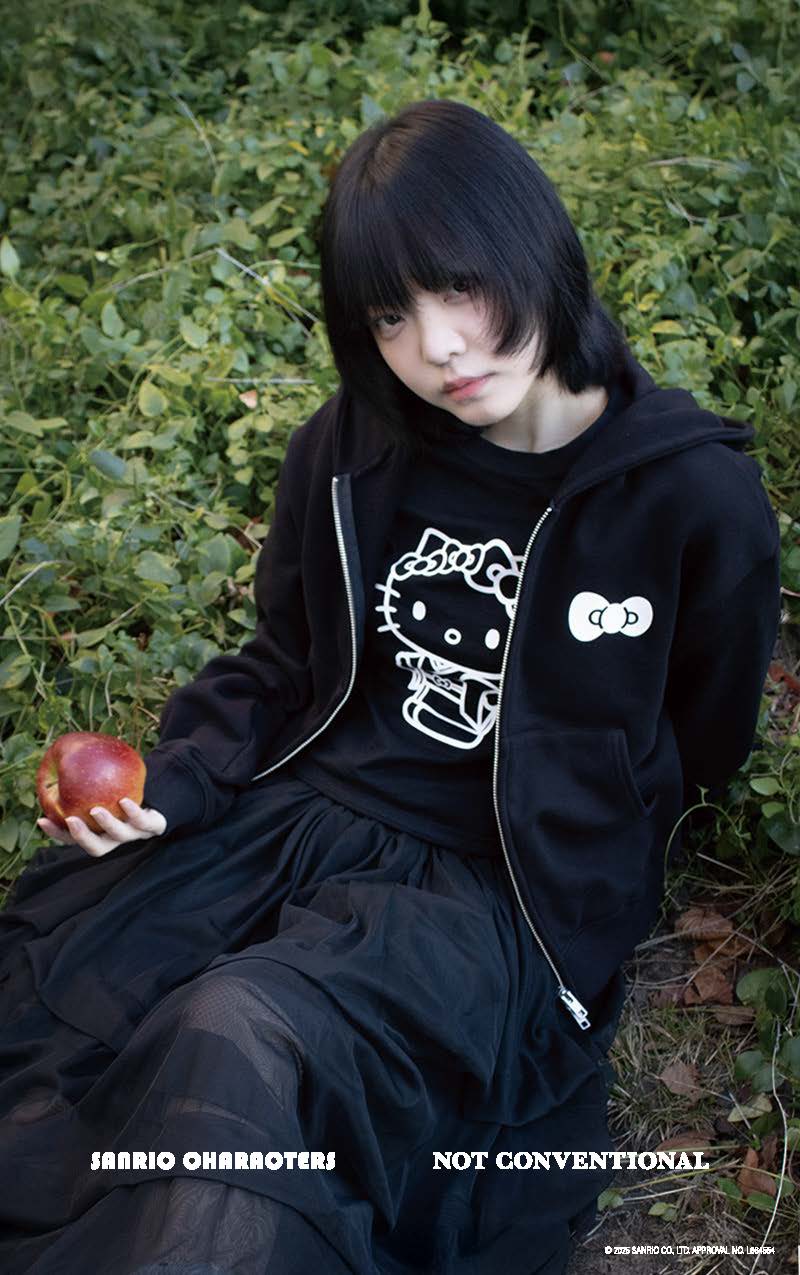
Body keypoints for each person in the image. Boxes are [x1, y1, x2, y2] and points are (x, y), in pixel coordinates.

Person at [0, 98, 781, 1274]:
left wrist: (588, 852)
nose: (438, 349)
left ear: (535, 250)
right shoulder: (349, 450)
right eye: (388, 316)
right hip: (292, 825)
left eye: (459, 287)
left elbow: (703, 732)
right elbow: (285, 662)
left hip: (488, 886)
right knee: (101, 1015)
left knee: (241, 1031)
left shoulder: (687, 496)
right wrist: (181, 785)